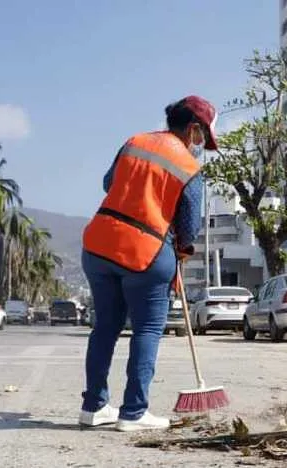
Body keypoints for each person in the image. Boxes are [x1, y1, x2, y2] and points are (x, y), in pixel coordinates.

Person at [80, 95, 217, 432]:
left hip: (98, 243)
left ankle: (94, 407)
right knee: (147, 329)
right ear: (193, 129)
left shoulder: (135, 142)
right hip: (145, 252)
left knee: (105, 328)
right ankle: (134, 411)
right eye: (202, 138)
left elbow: (108, 184)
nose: (201, 145)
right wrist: (182, 249)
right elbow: (189, 226)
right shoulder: (188, 166)